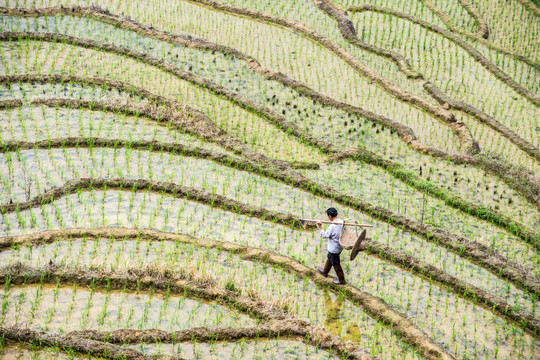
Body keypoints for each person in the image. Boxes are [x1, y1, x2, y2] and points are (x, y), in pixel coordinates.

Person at [317, 207, 346, 285]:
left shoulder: (332, 226)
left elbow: (324, 235)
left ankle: (342, 280)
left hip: (334, 248)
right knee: (330, 258)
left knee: (336, 264)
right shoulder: (341, 222)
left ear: (330, 216)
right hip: (339, 246)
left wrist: (320, 227)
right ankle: (325, 272)